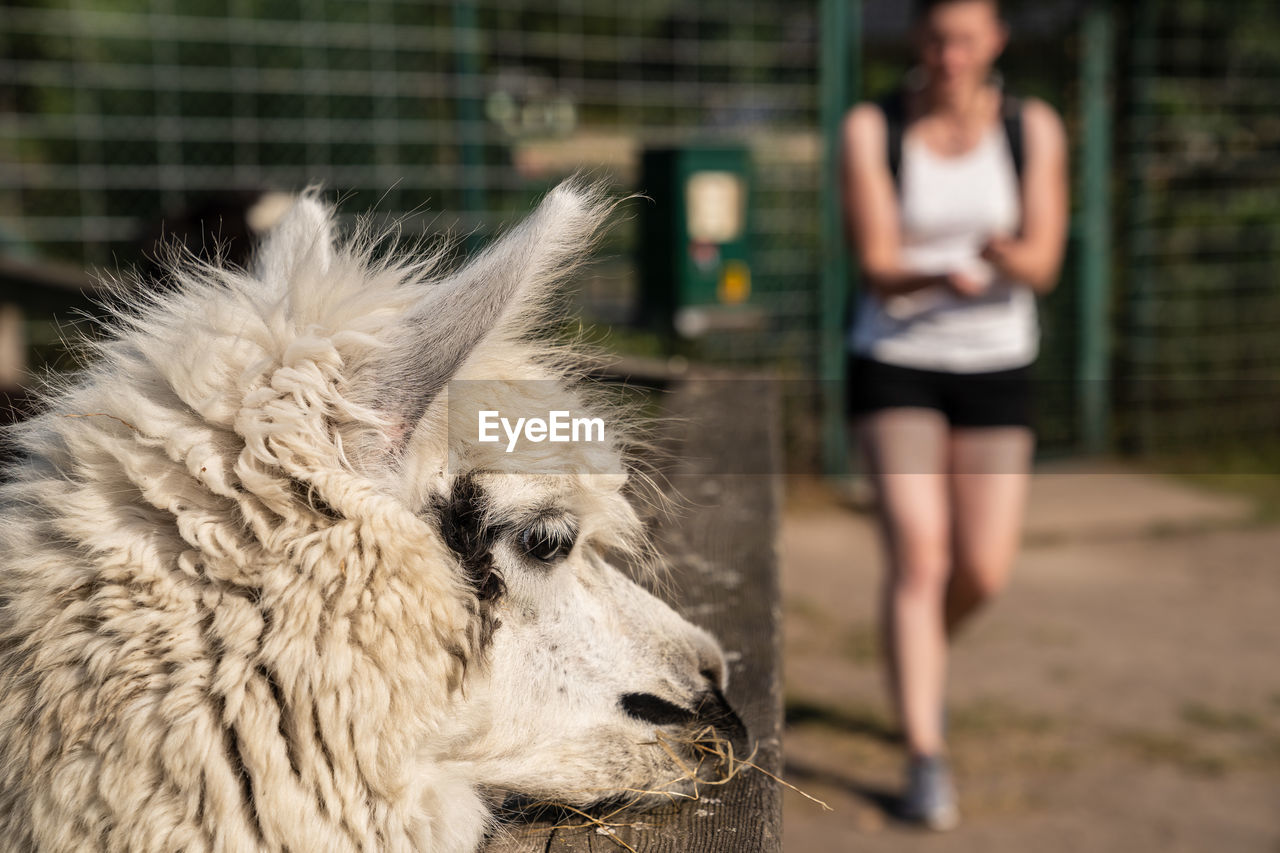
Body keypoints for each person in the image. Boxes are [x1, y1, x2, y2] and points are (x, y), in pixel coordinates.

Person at [840, 0, 1069, 831]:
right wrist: (945, 276)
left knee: (984, 569)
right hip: (897, 361)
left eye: (968, 38)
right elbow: (876, 265)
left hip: (998, 365)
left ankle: (916, 651)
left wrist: (1012, 259)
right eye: (937, 37)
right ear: (918, 41)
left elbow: (1043, 259)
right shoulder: (872, 127)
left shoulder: (1032, 126)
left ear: (996, 42)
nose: (951, 53)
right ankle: (925, 753)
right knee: (921, 555)